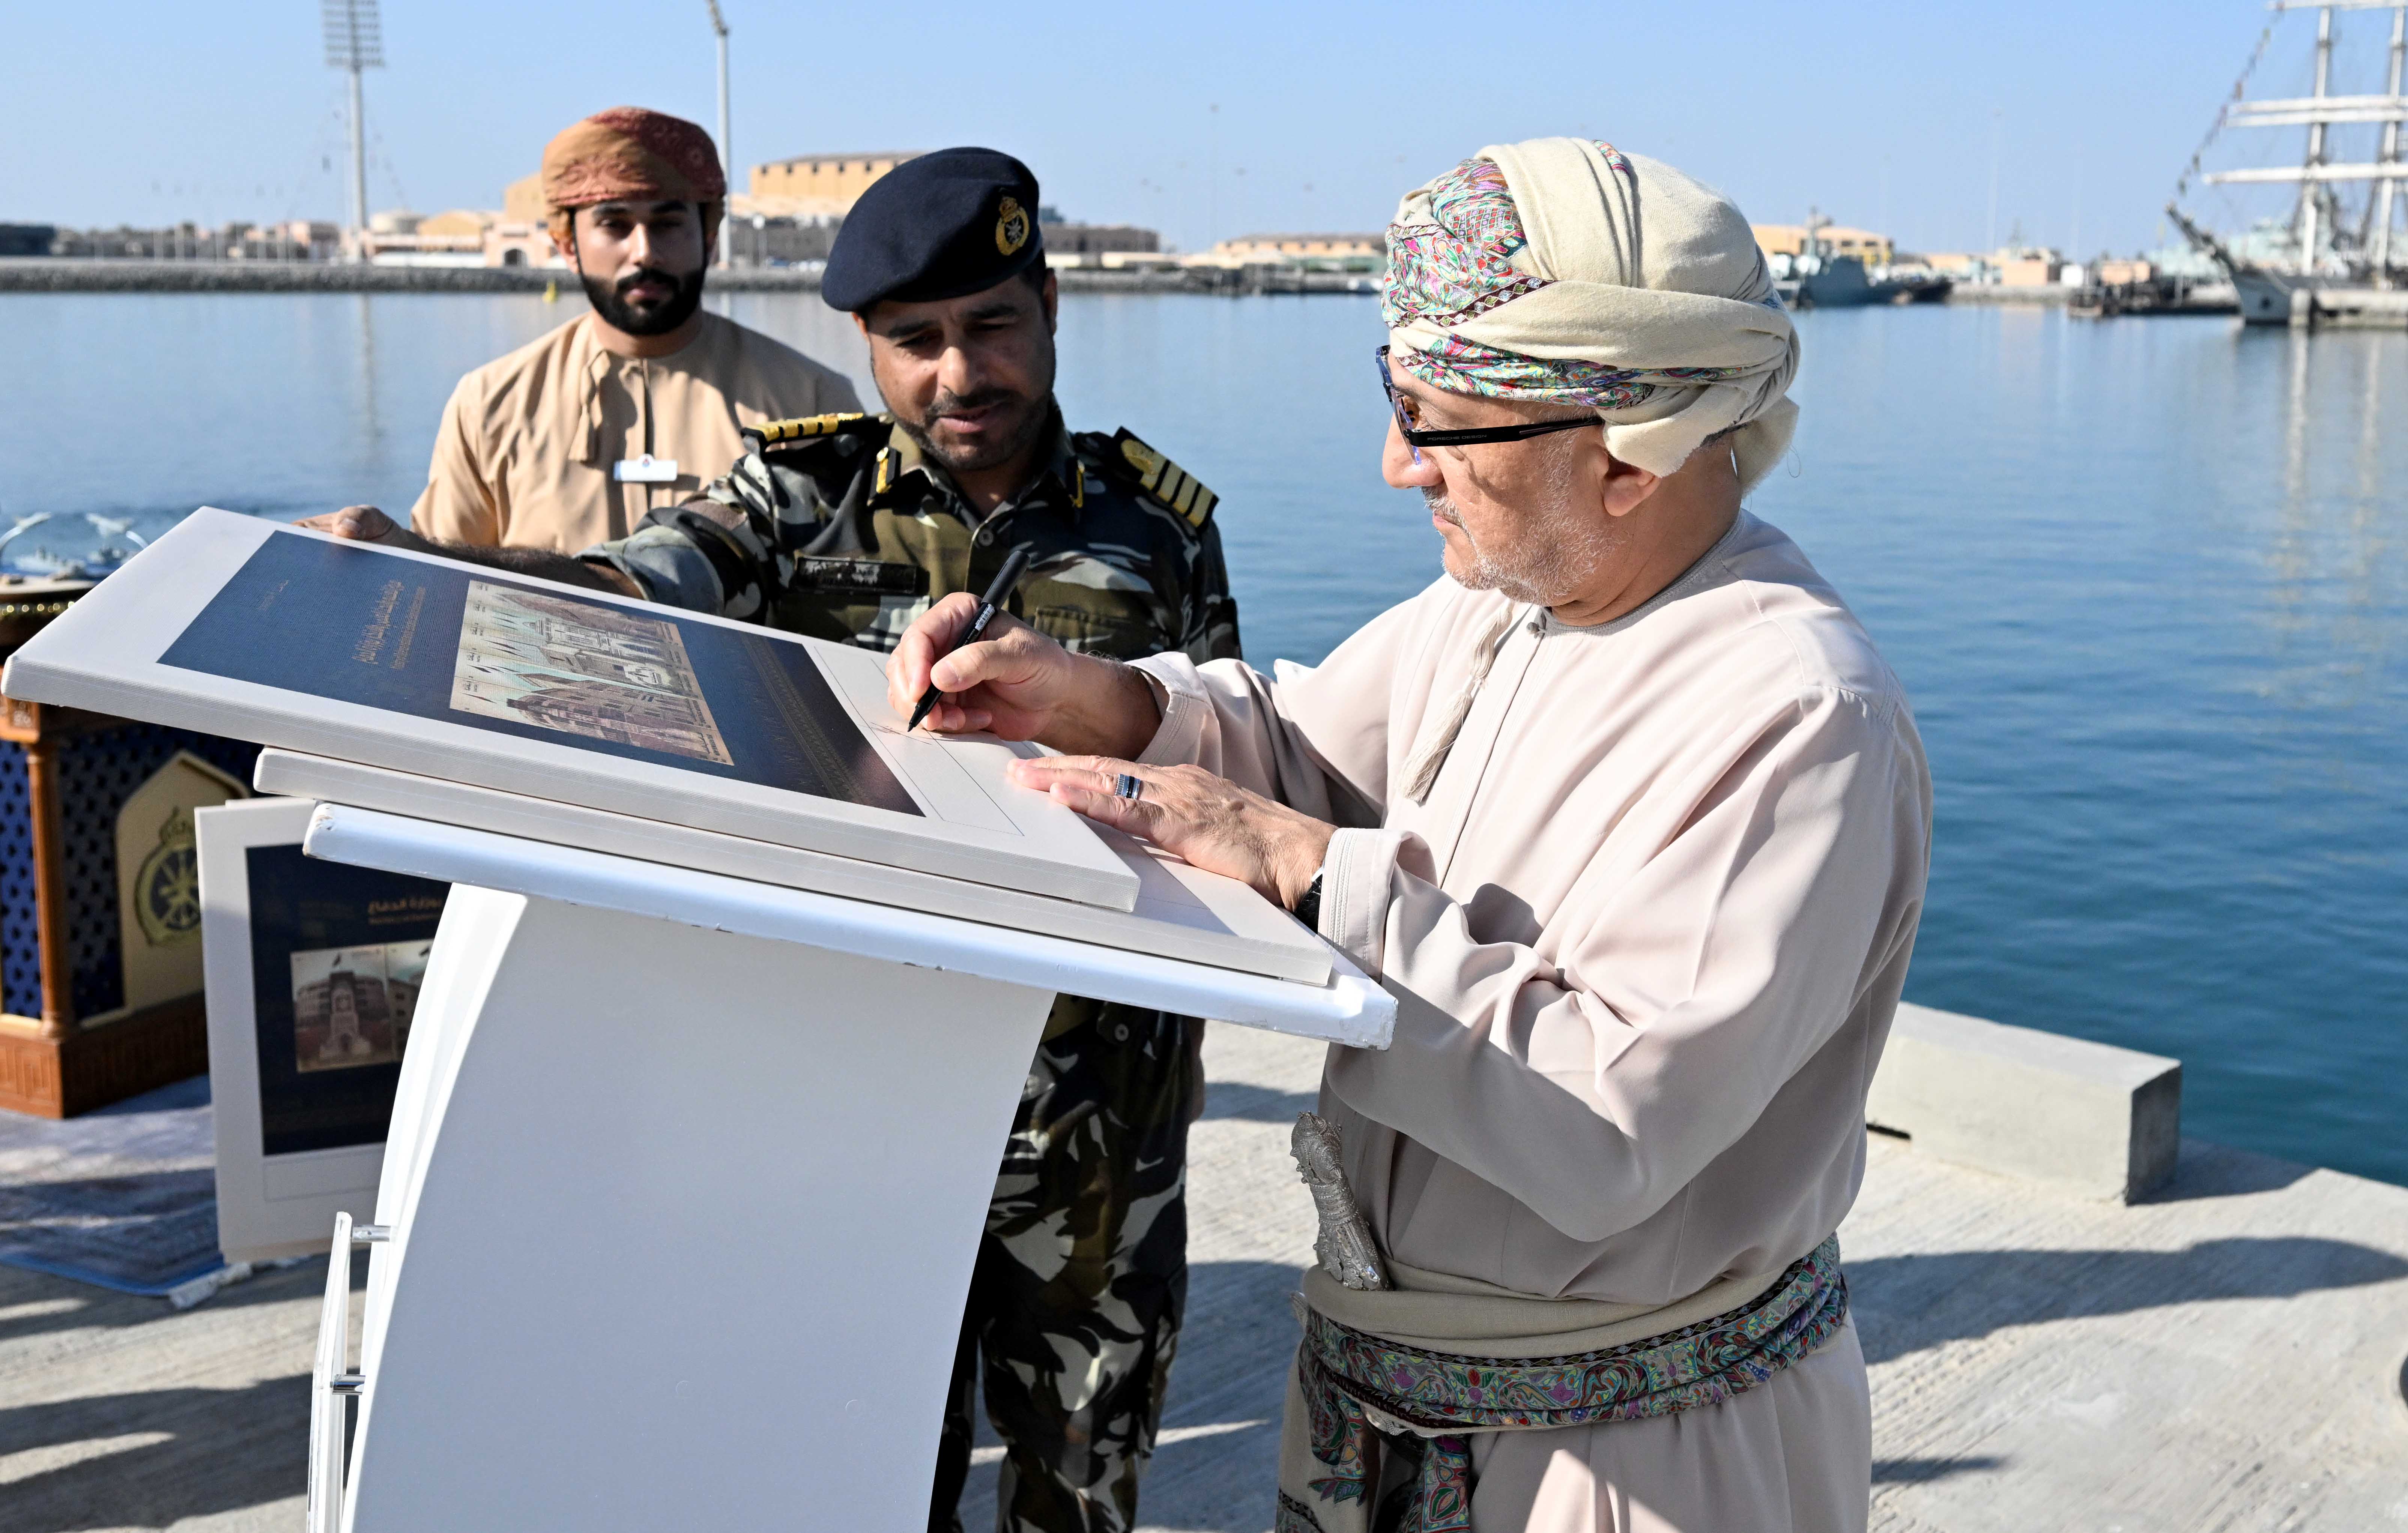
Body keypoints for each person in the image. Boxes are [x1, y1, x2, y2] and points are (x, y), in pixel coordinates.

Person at [887, 138, 1931, 1533]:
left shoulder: (1798, 714)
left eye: (1433, 422)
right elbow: (1310, 751)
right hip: (1391, 1408)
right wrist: (1100, 702)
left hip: (1624, 1463)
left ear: (1625, 457)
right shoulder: (1509, 598)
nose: (1395, 466)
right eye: (1396, 398)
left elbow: (1609, 1123)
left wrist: (1312, 870)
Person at [301, 147, 1240, 1533]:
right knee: (864, 1474)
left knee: (1082, 1487)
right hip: (857, 1102)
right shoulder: (802, 499)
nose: (958, 374)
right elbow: (623, 594)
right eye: (914, 341)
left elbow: (1218, 777)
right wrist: (432, 566)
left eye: (990, 325)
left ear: (1049, 305)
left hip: (1099, 1114)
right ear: (864, 344)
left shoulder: (1161, 529)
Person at [369, 106, 862, 557]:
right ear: (568, 245)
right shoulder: (491, 406)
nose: (644, 252)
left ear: (709, 237)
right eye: (615, 225)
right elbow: (439, 581)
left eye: (667, 224)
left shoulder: (810, 401)